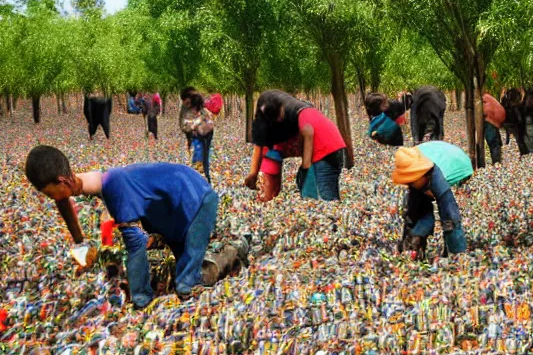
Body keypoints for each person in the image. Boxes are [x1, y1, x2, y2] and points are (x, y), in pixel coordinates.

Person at [24, 146, 248, 308]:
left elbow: (135, 246)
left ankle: (235, 251)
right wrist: (80, 242)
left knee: (187, 284)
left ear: (63, 180)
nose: (51, 199)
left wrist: (140, 300)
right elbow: (64, 199)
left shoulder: (115, 187)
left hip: (199, 199)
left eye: (49, 193)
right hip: (171, 209)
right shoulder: (92, 179)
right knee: (181, 263)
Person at [244, 90, 346, 201]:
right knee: (328, 194)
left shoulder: (297, 117)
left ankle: (268, 197)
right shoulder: (302, 110)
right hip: (336, 147)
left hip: (324, 153)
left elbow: (309, 133)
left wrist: (305, 169)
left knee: (326, 199)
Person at [392, 143, 470, 258]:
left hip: (453, 165)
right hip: (426, 167)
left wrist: (457, 252)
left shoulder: (435, 177)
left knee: (449, 216)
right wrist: (413, 235)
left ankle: (456, 252)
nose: (409, 184)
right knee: (415, 210)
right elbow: (412, 212)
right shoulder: (410, 160)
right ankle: (414, 244)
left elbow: (450, 214)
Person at [181, 93, 215, 183]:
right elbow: (186, 127)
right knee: (201, 156)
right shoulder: (199, 112)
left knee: (202, 156)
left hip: (204, 136)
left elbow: (210, 123)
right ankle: (203, 177)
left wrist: (196, 123)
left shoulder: (203, 112)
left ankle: (203, 177)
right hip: (199, 136)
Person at [482, 93, 506, 164]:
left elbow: (486, 111)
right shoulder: (489, 98)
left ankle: (496, 161)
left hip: (491, 121)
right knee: (496, 141)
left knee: (493, 142)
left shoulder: (484, 100)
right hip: (496, 120)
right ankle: (497, 159)